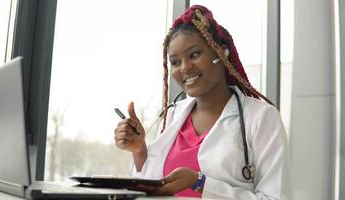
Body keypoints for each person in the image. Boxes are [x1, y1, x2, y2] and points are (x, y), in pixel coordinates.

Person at [114, 5, 292, 199]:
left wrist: (200, 183)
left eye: (194, 55)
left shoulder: (261, 117)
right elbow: (154, 186)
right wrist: (139, 151)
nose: (185, 68)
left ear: (221, 53)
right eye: (175, 62)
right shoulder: (173, 115)